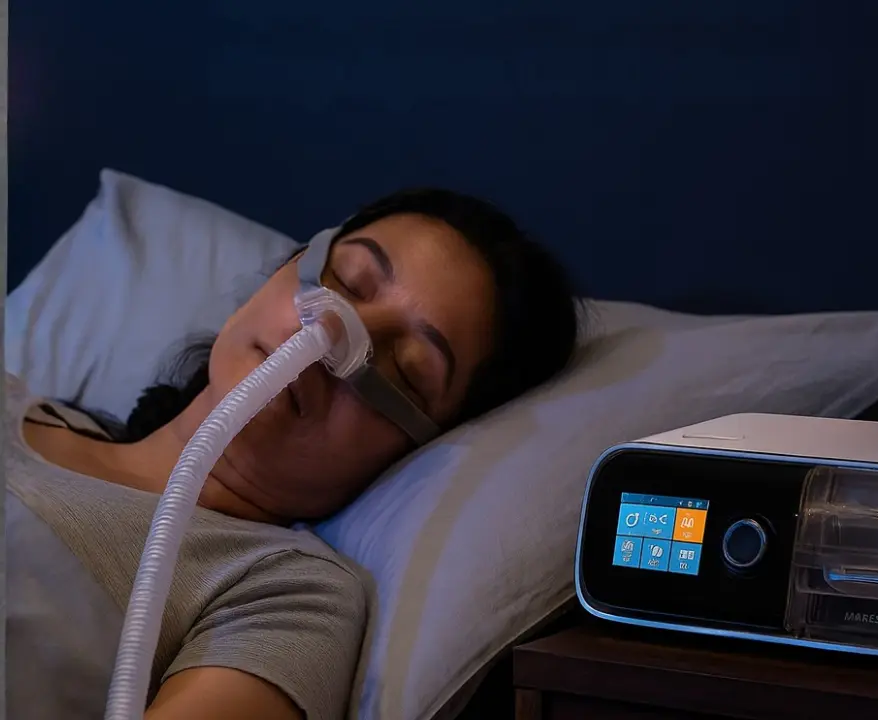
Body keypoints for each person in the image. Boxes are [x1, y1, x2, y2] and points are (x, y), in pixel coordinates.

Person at [6, 188, 580, 720]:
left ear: (411, 452)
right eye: (350, 280)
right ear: (279, 273)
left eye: (406, 371)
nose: (332, 330)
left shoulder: (285, 595)